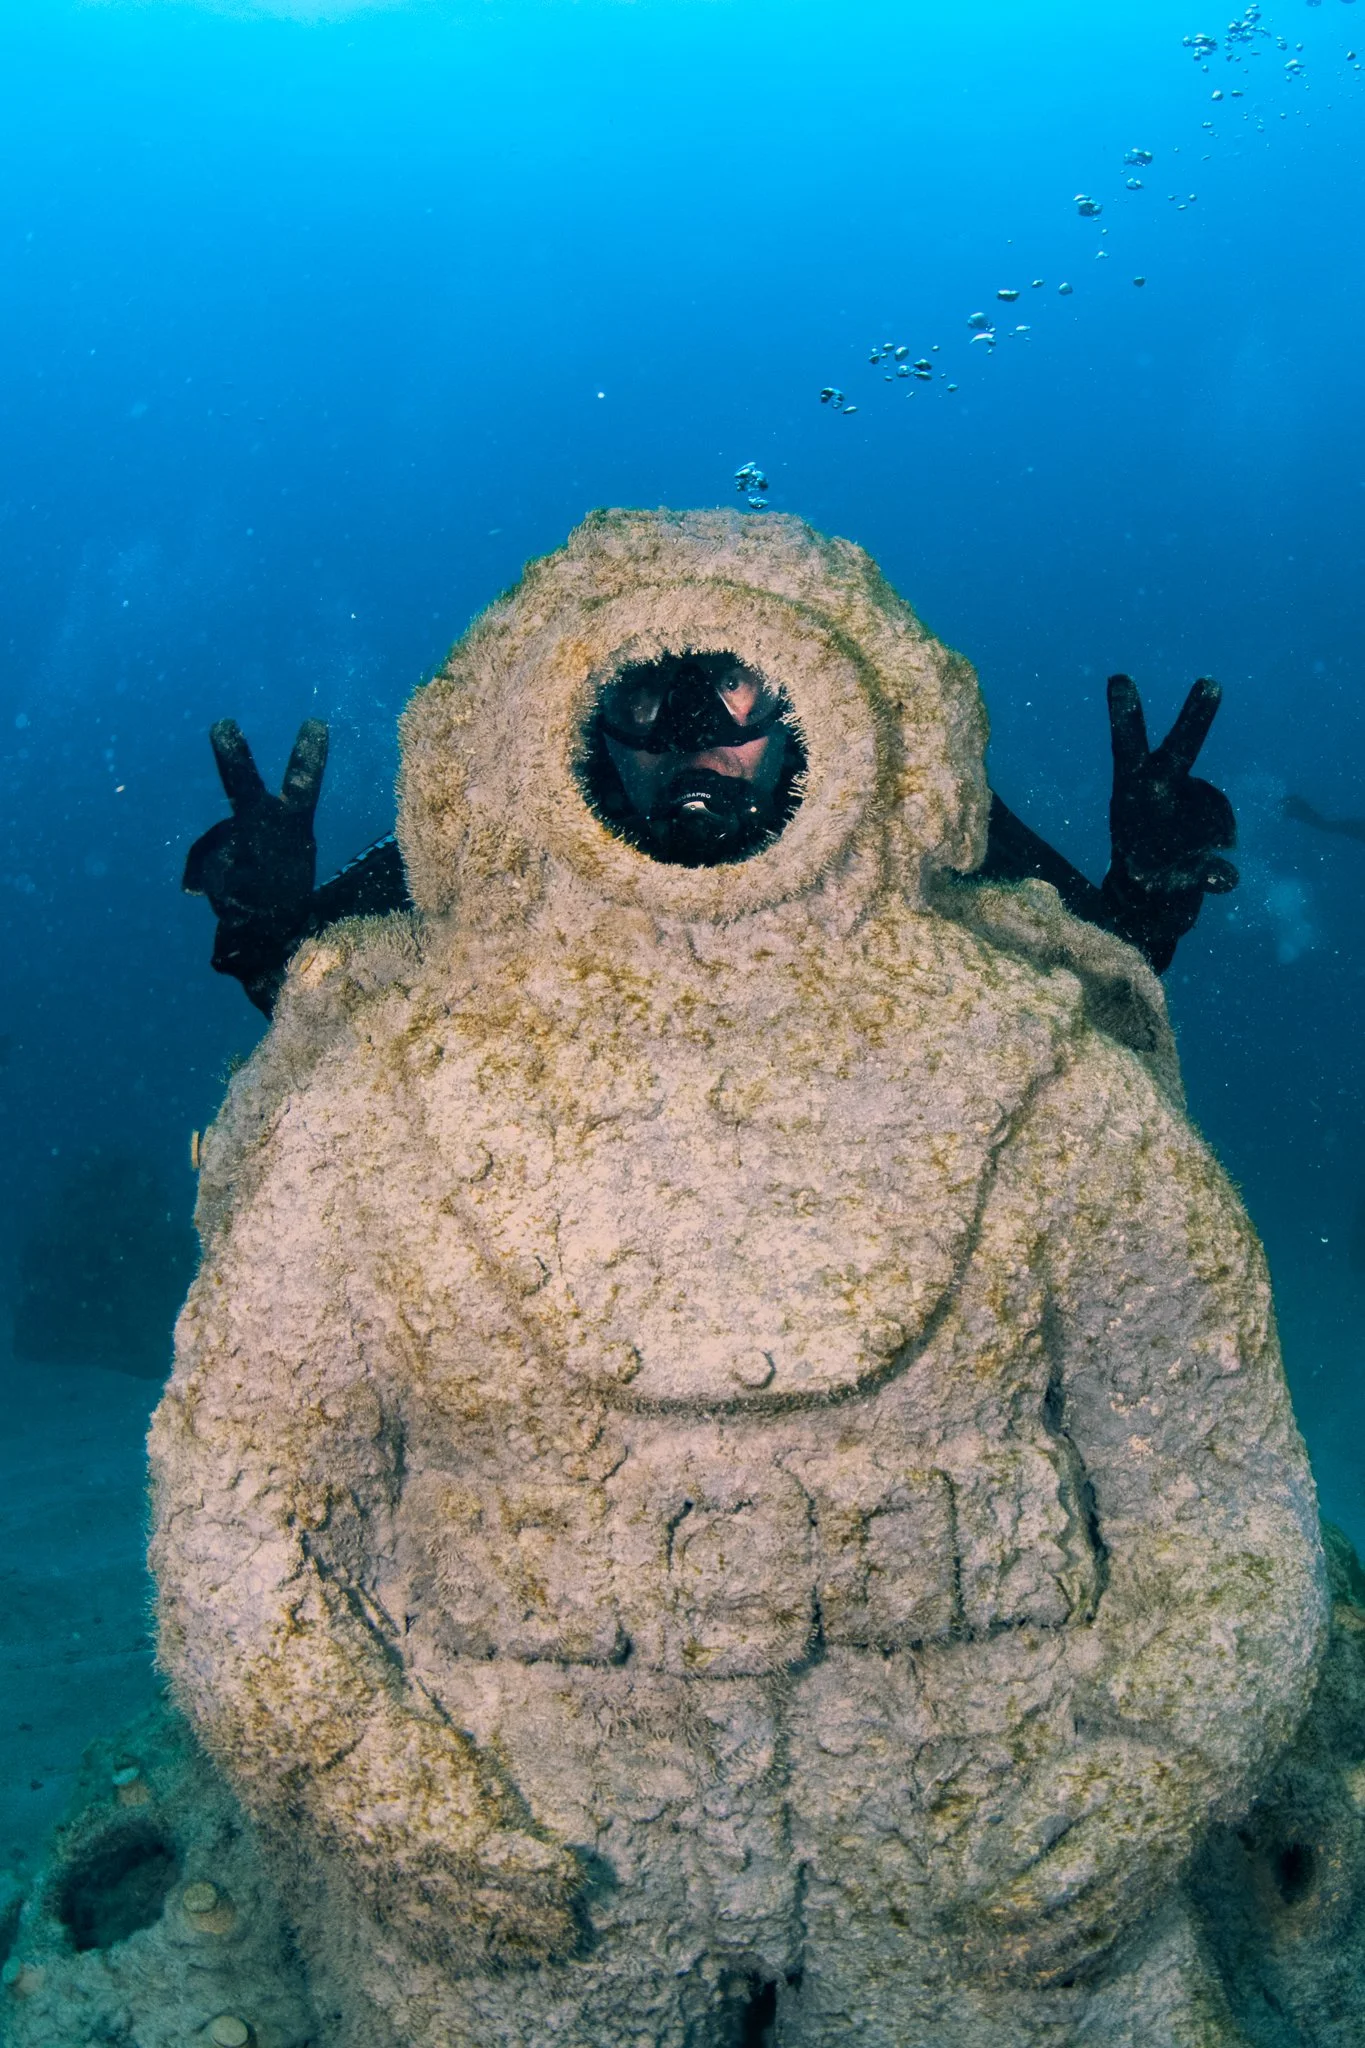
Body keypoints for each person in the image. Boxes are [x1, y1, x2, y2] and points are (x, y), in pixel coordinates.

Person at [184, 659, 1237, 1015]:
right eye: (647, 700)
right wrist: (270, 919)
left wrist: (1148, 890)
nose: (693, 743)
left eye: (733, 696)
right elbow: (302, 989)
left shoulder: (885, 807)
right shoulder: (528, 819)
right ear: (590, 719)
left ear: (800, 707)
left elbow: (1108, 971)